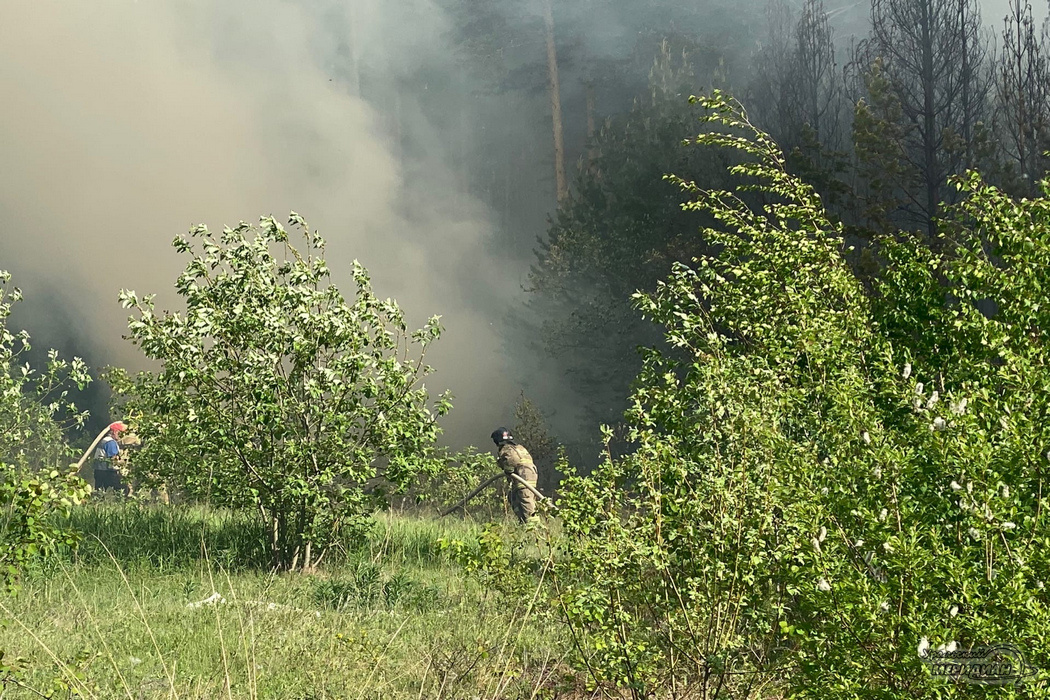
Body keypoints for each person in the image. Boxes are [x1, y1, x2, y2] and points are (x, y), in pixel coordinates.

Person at [491, 427, 539, 523]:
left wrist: (505, 467)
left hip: (522, 478)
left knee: (526, 500)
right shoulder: (519, 447)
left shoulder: (506, 449)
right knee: (513, 497)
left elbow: (509, 464)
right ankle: (523, 520)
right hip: (529, 476)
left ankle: (534, 527)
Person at [93, 422, 127, 494]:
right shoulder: (111, 442)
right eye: (121, 433)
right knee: (123, 489)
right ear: (115, 432)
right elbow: (113, 459)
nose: (122, 436)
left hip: (99, 470)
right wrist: (124, 463)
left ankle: (96, 504)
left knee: (100, 492)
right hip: (106, 472)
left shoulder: (105, 440)